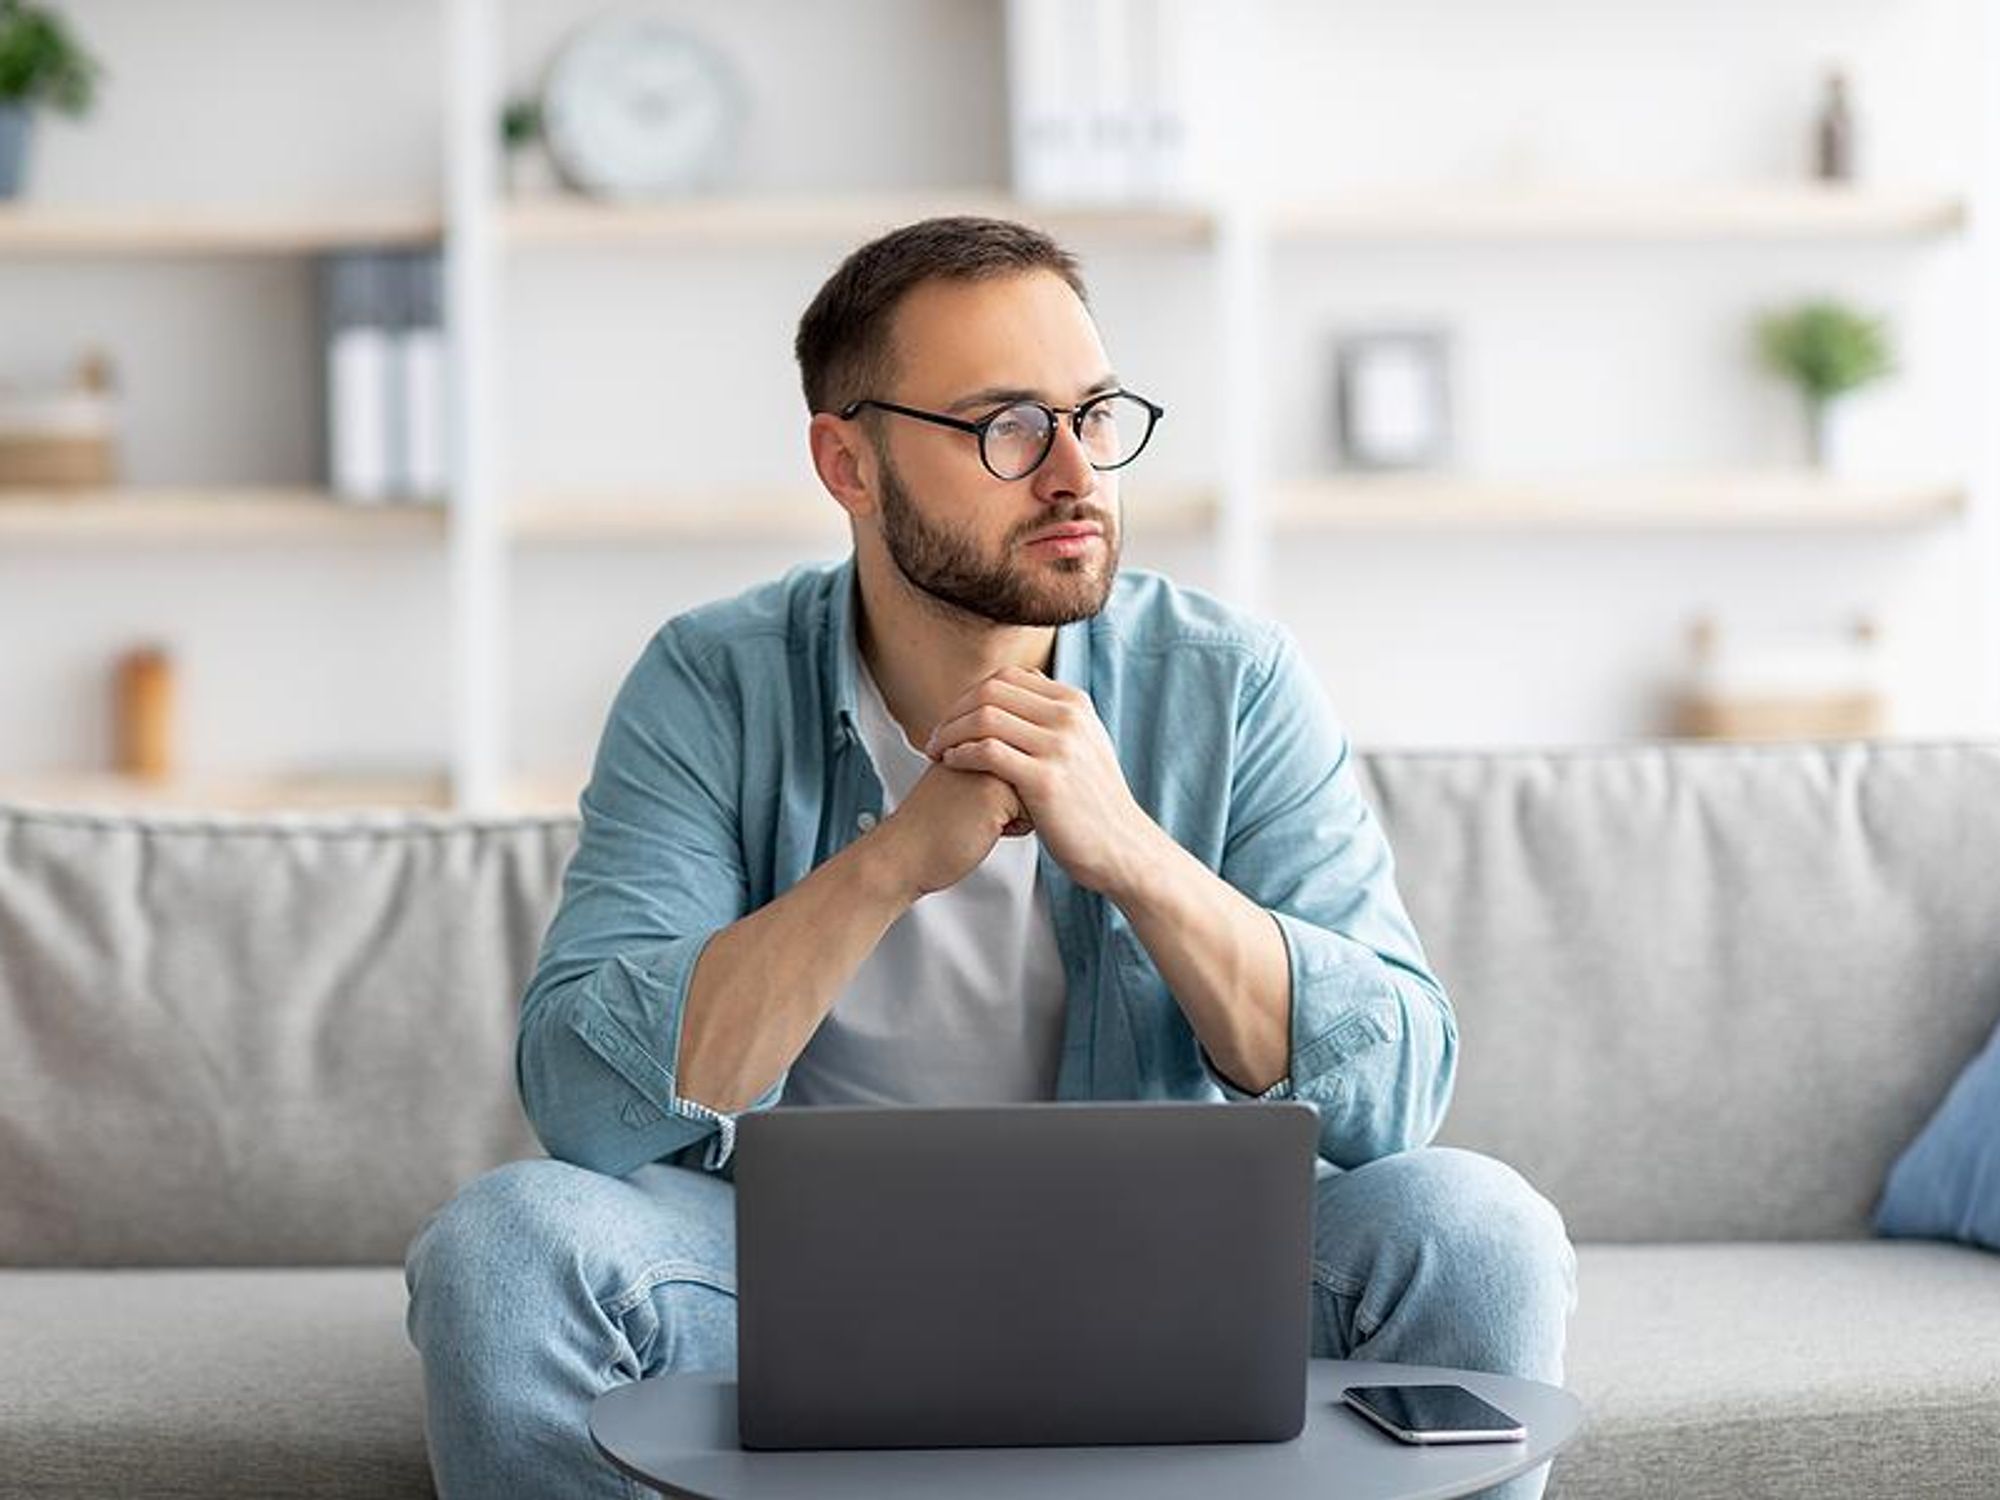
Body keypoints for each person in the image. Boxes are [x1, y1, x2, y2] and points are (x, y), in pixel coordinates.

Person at [405, 215, 1577, 1500]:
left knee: (1476, 1228)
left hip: (1169, 1277)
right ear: (847, 465)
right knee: (508, 1249)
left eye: (1095, 415)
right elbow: (582, 1097)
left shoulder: (1231, 682)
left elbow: (1396, 1093)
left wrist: (1131, 853)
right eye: (1006, 426)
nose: (1075, 472)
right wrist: (890, 863)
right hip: (789, 1285)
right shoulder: (710, 680)